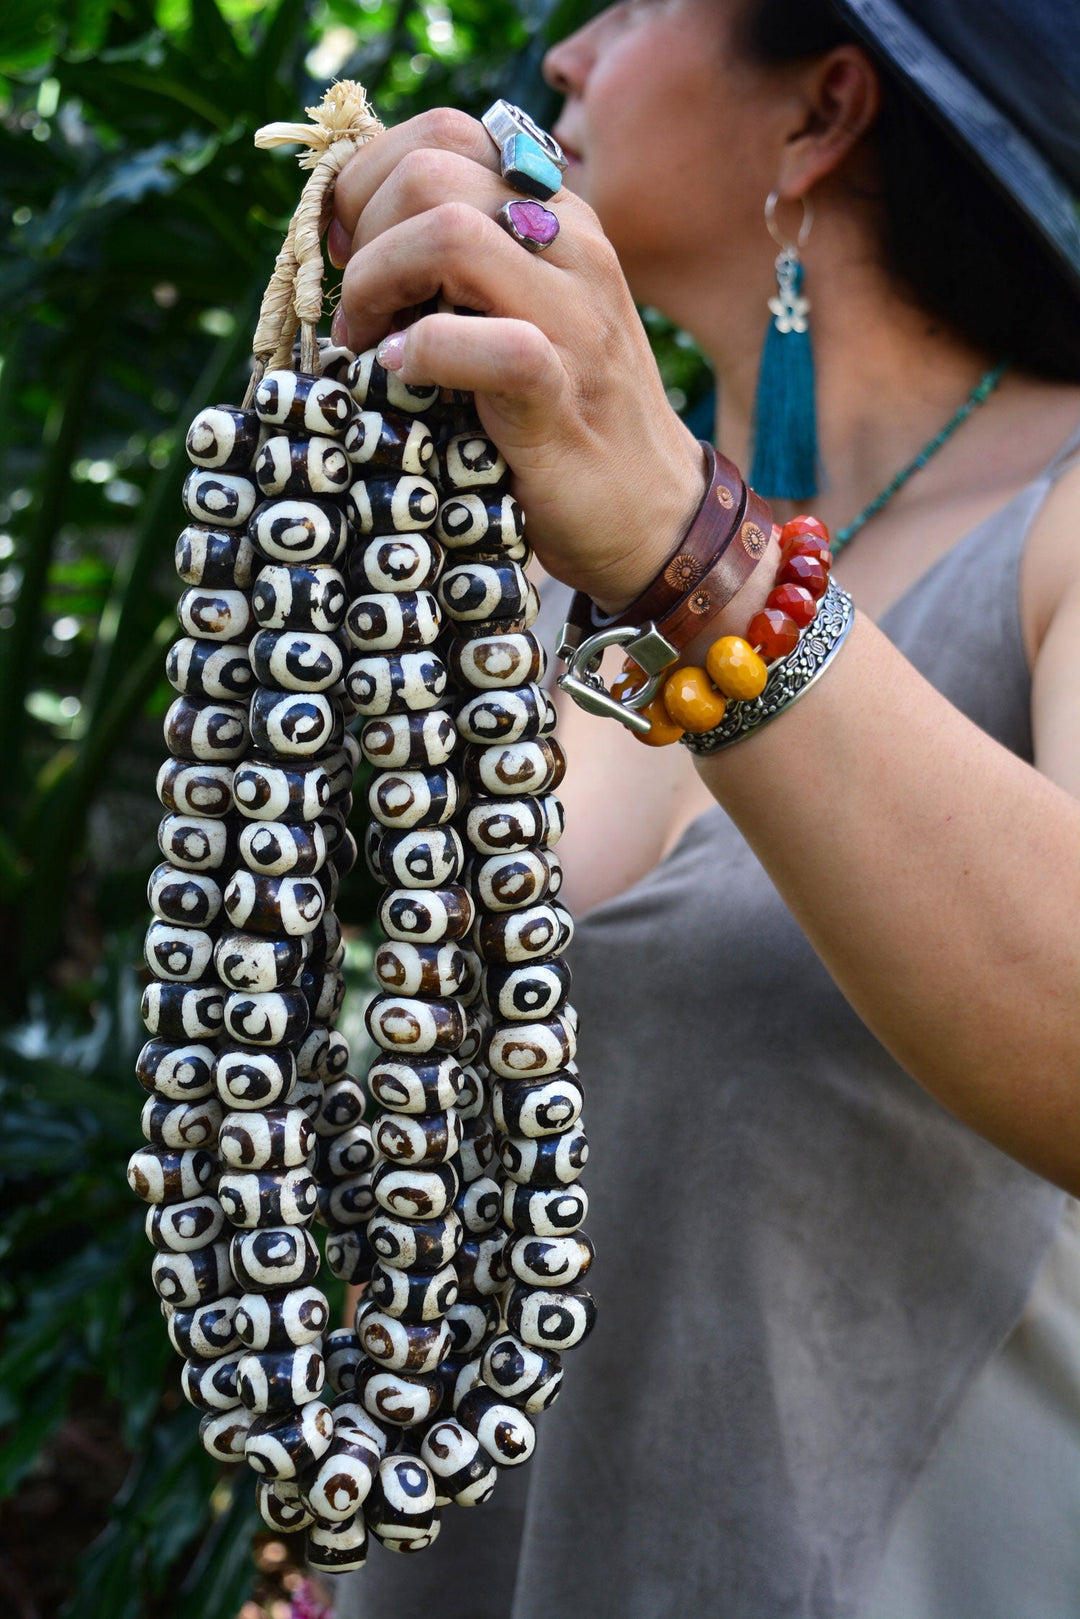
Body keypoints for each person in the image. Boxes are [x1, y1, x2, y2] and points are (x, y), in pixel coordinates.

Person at [326, 0, 1080, 1612]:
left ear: (822, 111)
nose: (563, 62)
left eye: (632, 3)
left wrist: (701, 554)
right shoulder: (552, 560)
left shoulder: (1057, 523)